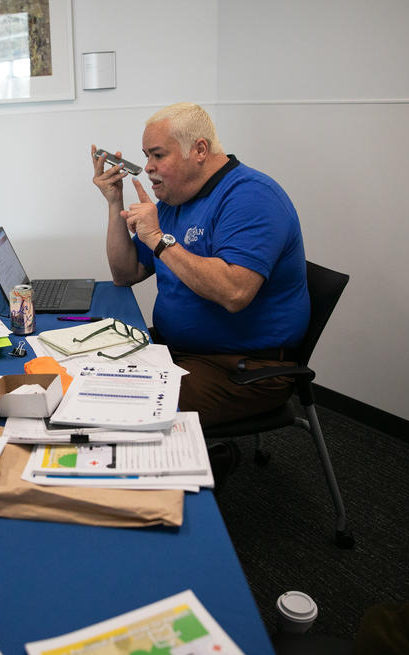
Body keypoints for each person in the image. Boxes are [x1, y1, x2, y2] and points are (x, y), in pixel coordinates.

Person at [91, 102, 309, 426]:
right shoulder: (175, 199)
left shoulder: (251, 197)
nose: (148, 167)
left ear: (200, 150)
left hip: (242, 367)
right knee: (91, 376)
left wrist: (158, 239)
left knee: (125, 408)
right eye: (146, 155)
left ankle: (204, 464)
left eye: (158, 155)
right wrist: (114, 203)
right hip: (179, 350)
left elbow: (234, 292)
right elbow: (126, 274)